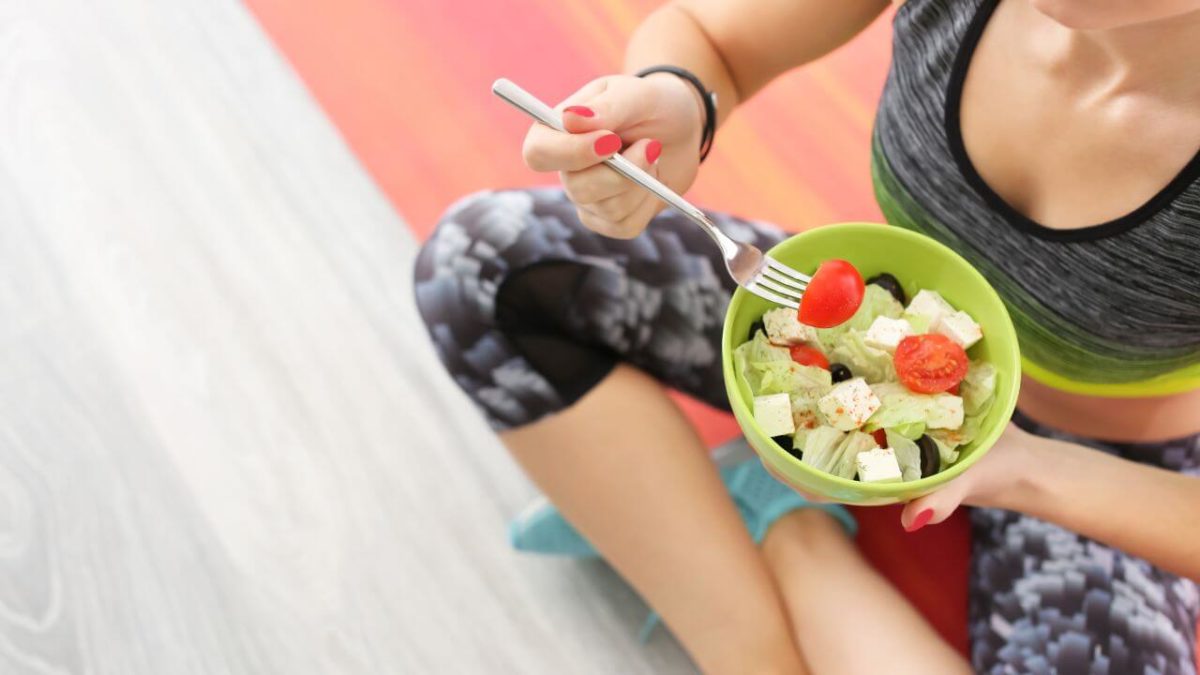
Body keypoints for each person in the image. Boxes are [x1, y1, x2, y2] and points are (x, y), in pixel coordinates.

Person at [413, 0, 1200, 671]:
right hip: (839, 325)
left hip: (1105, 471)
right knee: (476, 261)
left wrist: (1028, 471)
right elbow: (709, 35)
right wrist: (680, 99)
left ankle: (783, 533)